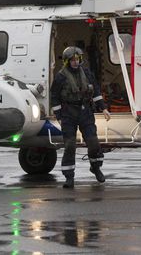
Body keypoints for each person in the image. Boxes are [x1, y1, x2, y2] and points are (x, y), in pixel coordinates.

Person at [51, 46, 111, 189]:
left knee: (93, 143)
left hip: (85, 112)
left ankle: (96, 168)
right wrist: (59, 116)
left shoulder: (87, 73)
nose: (75, 62)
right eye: (72, 60)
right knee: (70, 145)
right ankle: (69, 177)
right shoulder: (60, 77)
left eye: (77, 59)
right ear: (67, 61)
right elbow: (54, 97)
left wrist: (104, 108)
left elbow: (95, 90)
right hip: (68, 114)